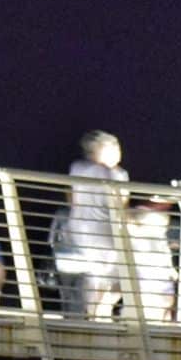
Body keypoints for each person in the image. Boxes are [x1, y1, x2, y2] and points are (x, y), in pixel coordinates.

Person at [65, 130, 127, 317]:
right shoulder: (117, 174)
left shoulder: (77, 167)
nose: (117, 152)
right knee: (119, 278)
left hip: (79, 229)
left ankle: (94, 314)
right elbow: (121, 204)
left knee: (95, 277)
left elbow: (71, 197)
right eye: (113, 148)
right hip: (104, 232)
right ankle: (99, 313)